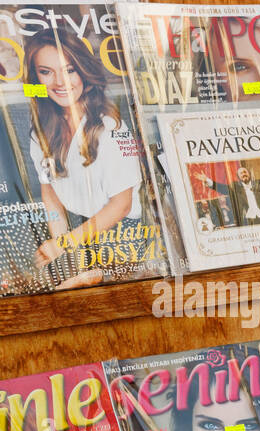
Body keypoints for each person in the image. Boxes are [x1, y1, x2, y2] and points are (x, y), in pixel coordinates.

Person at [24, 27, 149, 288]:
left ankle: (98, 274)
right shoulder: (41, 131)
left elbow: (122, 206)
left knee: (70, 284)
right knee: (37, 279)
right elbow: (51, 198)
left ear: (83, 72)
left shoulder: (110, 126)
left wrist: (63, 245)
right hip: (78, 232)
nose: (60, 82)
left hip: (122, 231)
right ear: (35, 78)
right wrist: (62, 251)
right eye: (46, 72)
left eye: (69, 70)